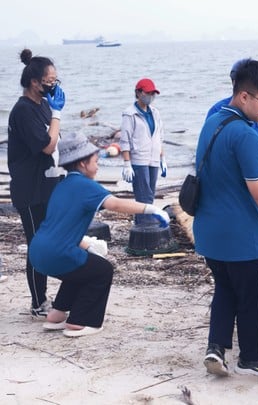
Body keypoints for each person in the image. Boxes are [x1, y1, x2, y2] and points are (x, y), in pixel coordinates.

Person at [193, 59, 258, 377]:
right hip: (242, 237)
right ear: (244, 97)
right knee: (254, 296)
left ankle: (216, 349)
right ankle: (252, 358)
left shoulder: (212, 122)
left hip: (209, 232)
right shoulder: (245, 135)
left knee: (225, 288)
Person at [28, 133, 170, 337]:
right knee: (102, 270)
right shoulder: (86, 186)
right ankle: (81, 321)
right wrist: (151, 209)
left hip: (37, 252)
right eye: (95, 162)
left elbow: (62, 226)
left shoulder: (62, 185)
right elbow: (116, 204)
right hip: (57, 253)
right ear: (83, 164)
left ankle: (56, 315)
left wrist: (87, 245)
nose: (98, 166)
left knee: (82, 268)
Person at [8, 48, 66, 319]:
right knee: (36, 245)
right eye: (50, 80)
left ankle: (49, 295)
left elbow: (57, 142)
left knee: (50, 241)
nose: (53, 84)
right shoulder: (23, 110)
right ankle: (37, 302)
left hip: (48, 186)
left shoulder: (42, 105)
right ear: (35, 81)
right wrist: (57, 115)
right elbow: (46, 145)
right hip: (29, 190)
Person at [119, 78, 167, 225]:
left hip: (153, 158)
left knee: (150, 193)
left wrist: (162, 158)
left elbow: (159, 137)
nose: (151, 96)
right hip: (139, 158)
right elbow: (125, 140)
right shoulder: (130, 114)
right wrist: (127, 163)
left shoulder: (155, 112)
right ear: (138, 93)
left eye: (153, 93)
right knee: (143, 194)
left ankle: (144, 222)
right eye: (148, 93)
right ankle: (145, 224)